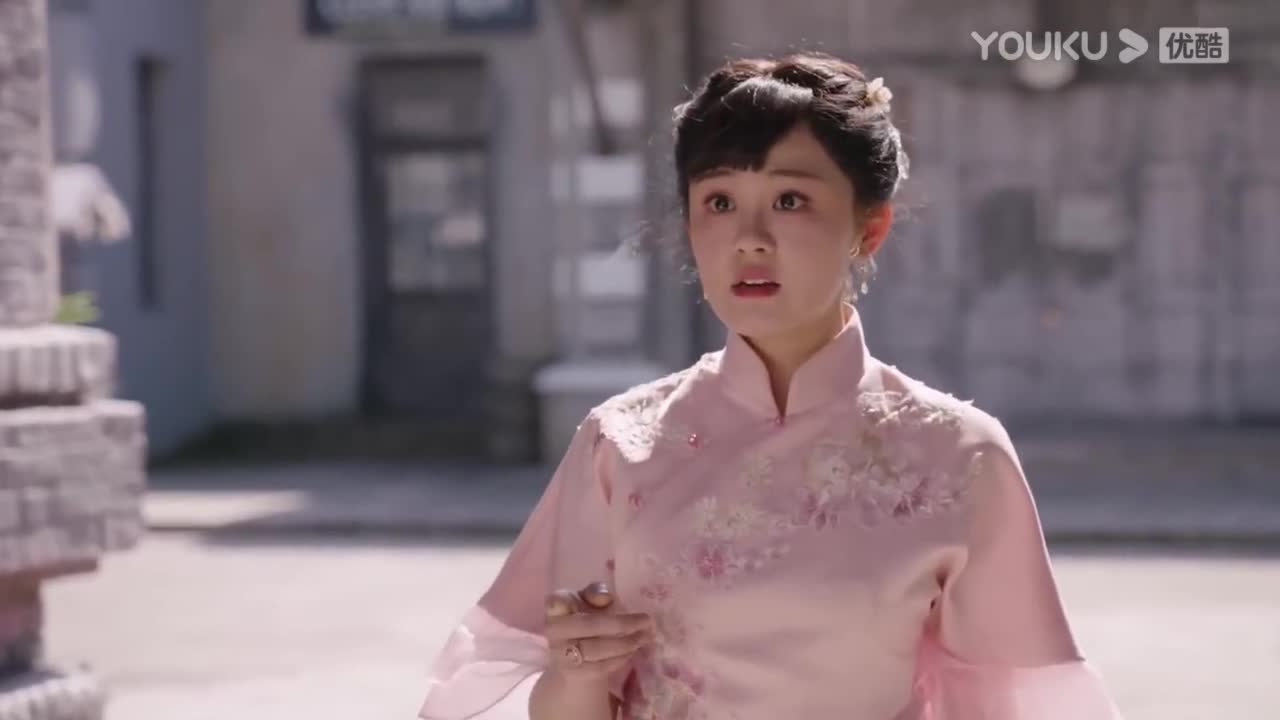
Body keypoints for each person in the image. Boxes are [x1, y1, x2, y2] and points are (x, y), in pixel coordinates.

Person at [417, 51, 1125, 720]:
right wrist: (577, 674)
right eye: (719, 201)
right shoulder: (621, 443)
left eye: (789, 199)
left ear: (869, 227)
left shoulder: (960, 455)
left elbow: (1009, 703)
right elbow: (567, 701)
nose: (749, 238)